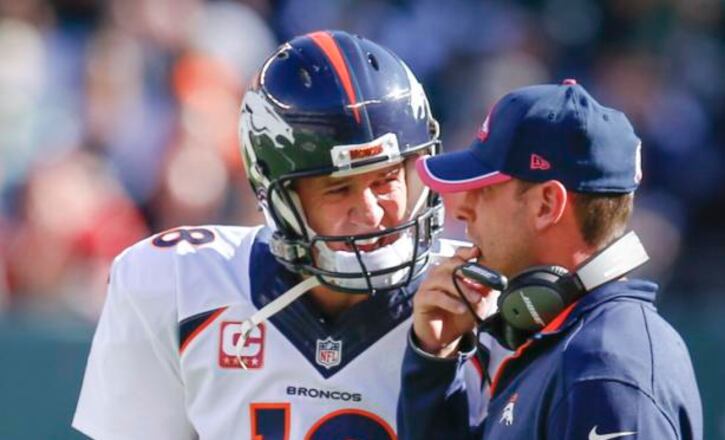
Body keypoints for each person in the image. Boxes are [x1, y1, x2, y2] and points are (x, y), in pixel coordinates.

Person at [72, 30, 485, 439]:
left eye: (386, 179)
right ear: (281, 198)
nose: (372, 211)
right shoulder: (178, 283)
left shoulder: (477, 300)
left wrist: (441, 353)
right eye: (339, 189)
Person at [398, 80, 703, 439]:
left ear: (546, 205)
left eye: (484, 190)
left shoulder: (604, 369)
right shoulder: (571, 346)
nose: (462, 208)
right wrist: (436, 364)